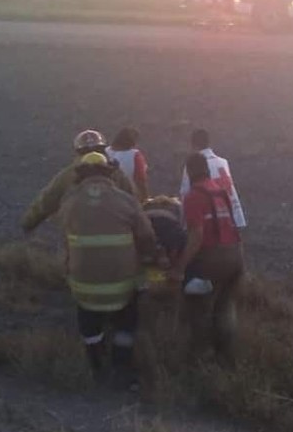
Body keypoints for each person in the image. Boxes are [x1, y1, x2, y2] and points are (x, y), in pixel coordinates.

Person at [58, 151, 157, 390]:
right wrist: (148, 258)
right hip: (122, 287)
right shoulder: (126, 201)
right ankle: (121, 366)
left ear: (81, 175)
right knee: (127, 320)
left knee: (88, 318)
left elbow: (66, 237)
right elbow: (147, 237)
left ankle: (95, 363)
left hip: (83, 287)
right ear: (109, 173)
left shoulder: (68, 202)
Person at [169, 153, 245, 360]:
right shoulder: (221, 191)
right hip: (236, 255)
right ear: (207, 170)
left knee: (199, 307)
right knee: (224, 308)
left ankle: (201, 357)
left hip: (213, 259)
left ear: (189, 172)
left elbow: (196, 236)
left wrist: (180, 267)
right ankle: (227, 357)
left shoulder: (193, 196)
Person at [21, 130, 135, 235]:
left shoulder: (68, 174)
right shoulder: (116, 173)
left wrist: (28, 224)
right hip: (115, 234)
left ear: (78, 151)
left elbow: (46, 201)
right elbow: (133, 202)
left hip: (78, 237)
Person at [179, 128, 246, 229]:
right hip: (231, 216)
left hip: (211, 219)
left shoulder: (194, 164)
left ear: (193, 145)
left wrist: (183, 223)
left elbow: (185, 194)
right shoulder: (223, 163)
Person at [105, 127, 150, 202]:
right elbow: (140, 180)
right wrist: (145, 200)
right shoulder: (135, 155)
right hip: (128, 199)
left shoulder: (105, 152)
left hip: (105, 197)